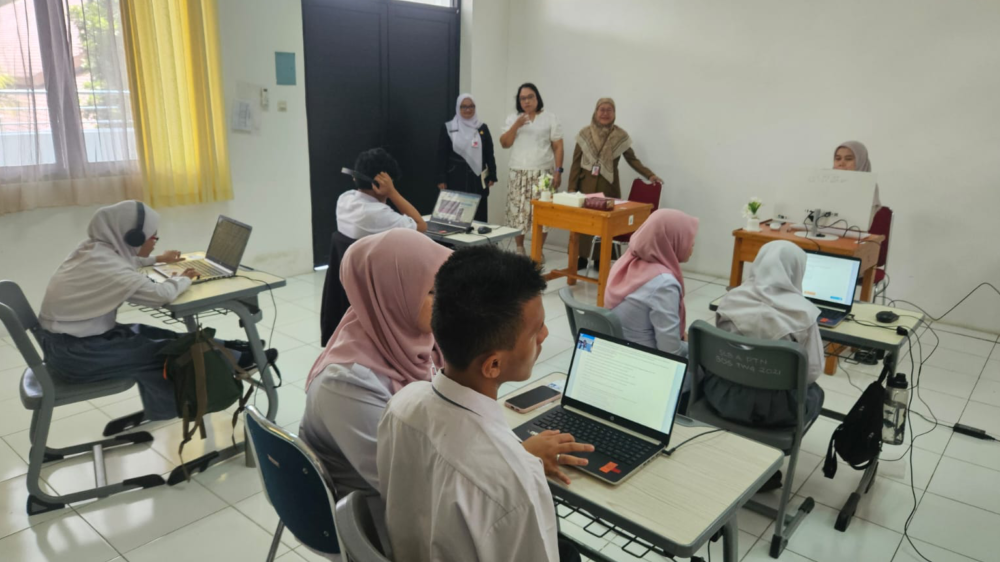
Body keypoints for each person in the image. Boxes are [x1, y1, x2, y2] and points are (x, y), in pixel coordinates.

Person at [377, 245, 591, 562]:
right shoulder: (515, 485)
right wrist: (519, 462)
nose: (545, 334)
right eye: (536, 330)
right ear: (493, 365)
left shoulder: (401, 406)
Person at [36, 201, 272, 421]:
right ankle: (238, 360)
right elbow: (161, 295)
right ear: (133, 237)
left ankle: (230, 349)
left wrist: (158, 259)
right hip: (78, 357)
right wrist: (183, 279)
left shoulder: (93, 250)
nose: (155, 240)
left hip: (68, 346)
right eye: (152, 236)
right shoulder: (112, 269)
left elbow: (127, 260)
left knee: (152, 333)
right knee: (172, 352)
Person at [300, 229, 451, 495]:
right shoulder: (346, 383)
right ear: (393, 296)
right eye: (432, 291)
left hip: (430, 472)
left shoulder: (412, 335)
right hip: (372, 506)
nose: (449, 301)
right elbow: (411, 486)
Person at [709, 240, 825, 427]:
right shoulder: (805, 314)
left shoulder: (730, 300)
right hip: (778, 410)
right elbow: (812, 372)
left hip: (724, 396)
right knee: (816, 392)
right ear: (797, 270)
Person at [568, 98, 662, 270]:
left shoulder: (620, 136)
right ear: (596, 112)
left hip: (608, 188)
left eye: (609, 110)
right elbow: (575, 163)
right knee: (583, 223)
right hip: (585, 186)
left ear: (614, 113)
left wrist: (650, 175)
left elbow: (632, 160)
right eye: (602, 109)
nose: (605, 113)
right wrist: (572, 188)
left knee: (605, 225)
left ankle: (600, 259)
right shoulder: (584, 134)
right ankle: (581, 257)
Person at [605, 209, 699, 359]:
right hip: (647, 362)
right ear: (671, 240)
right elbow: (670, 352)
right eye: (687, 237)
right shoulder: (663, 283)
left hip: (619, 354)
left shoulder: (624, 263)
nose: (692, 243)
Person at [499, 83, 564, 257]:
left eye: (530, 97)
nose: (526, 101)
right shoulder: (513, 118)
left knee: (542, 214)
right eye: (522, 98)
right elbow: (504, 143)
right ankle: (520, 248)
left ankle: (538, 250)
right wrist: (516, 125)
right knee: (517, 213)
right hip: (518, 172)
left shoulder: (550, 117)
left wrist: (558, 171)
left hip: (543, 174)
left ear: (537, 98)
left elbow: (558, 146)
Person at [336, 147, 427, 239]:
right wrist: (392, 192)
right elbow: (421, 226)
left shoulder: (344, 199)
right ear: (381, 183)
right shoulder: (378, 214)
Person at [436, 93, 497, 223]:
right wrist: (441, 178)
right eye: (464, 107)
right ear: (458, 108)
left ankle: (478, 236)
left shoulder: (482, 128)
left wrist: (492, 174)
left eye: (471, 106)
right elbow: (442, 155)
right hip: (455, 177)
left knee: (478, 214)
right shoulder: (448, 128)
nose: (468, 110)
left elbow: (489, 153)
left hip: (477, 179)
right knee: (455, 215)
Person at [833, 140, 881, 224]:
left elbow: (863, 223)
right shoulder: (825, 182)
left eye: (848, 159)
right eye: (838, 159)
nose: (841, 163)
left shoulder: (868, 186)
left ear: (861, 161)